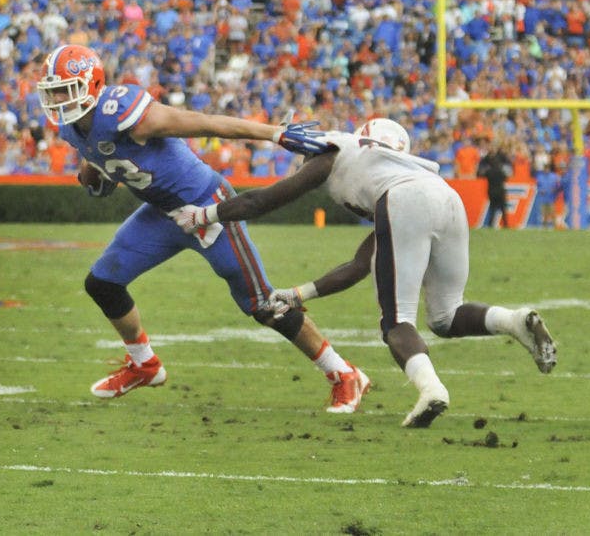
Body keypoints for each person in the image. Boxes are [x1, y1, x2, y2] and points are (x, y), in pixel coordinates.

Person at [35, 44, 369, 413]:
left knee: (262, 304)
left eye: (64, 89)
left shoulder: (123, 111)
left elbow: (206, 122)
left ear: (93, 85)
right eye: (53, 91)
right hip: (163, 213)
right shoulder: (72, 128)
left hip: (208, 207)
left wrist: (274, 134)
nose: (56, 99)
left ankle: (344, 373)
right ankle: (144, 365)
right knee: (102, 283)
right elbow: (101, 153)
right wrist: (92, 172)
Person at [171, 118, 557, 428]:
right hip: (447, 198)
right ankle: (514, 321)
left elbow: (265, 199)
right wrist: (300, 293)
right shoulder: (395, 169)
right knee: (445, 316)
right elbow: (361, 263)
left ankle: (432, 390)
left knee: (396, 323)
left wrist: (206, 215)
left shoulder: (340, 150)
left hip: (405, 201)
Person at [477, 143, 512, 228]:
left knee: (492, 208)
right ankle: (505, 224)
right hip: (500, 190)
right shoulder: (501, 172)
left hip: (491, 191)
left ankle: (490, 224)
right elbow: (506, 178)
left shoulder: (488, 172)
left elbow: (480, 174)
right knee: (503, 208)